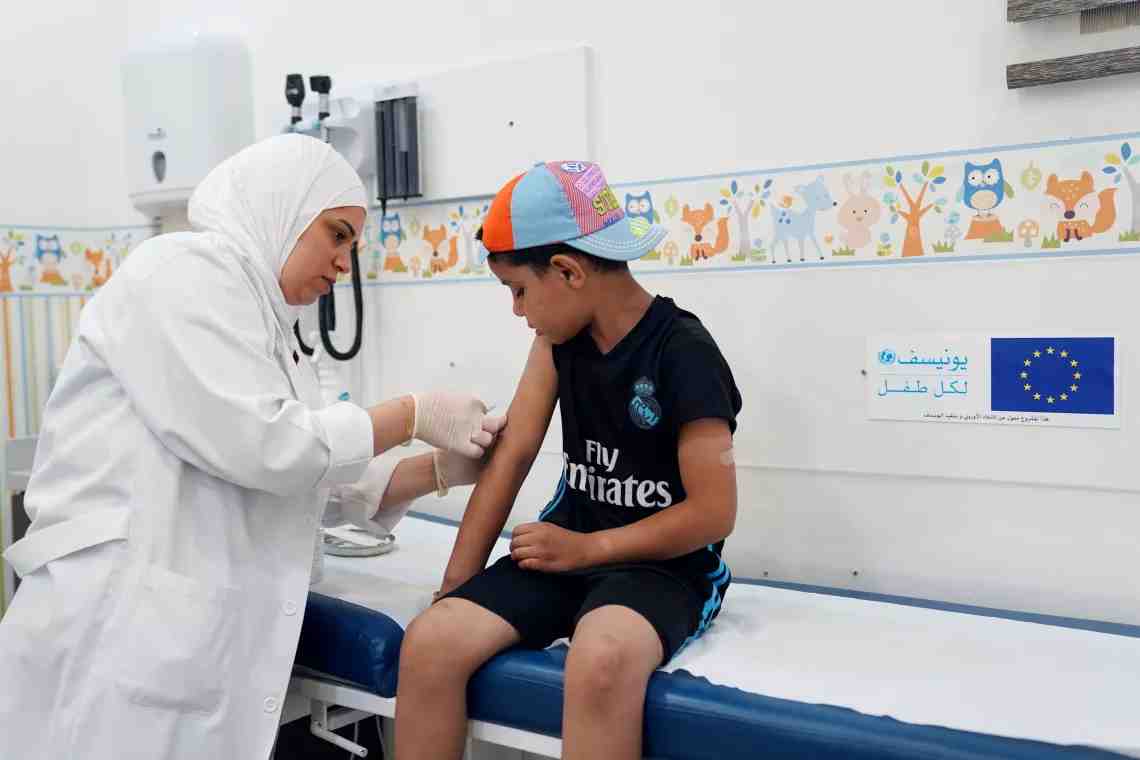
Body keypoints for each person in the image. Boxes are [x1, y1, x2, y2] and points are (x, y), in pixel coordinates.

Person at [0, 134, 501, 760]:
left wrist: (436, 470)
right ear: (282, 210)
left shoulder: (269, 326)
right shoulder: (181, 272)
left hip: (178, 639)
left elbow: (314, 481)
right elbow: (270, 447)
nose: (345, 263)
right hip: (117, 629)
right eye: (336, 234)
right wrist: (412, 414)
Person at [394, 160, 742, 760]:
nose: (517, 311)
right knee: (429, 643)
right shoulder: (559, 343)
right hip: (567, 550)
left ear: (568, 271)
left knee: (600, 660)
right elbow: (515, 452)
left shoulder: (684, 352)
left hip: (664, 564)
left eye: (518, 291)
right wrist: (457, 583)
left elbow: (714, 514)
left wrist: (592, 550)